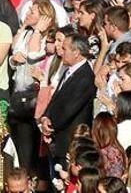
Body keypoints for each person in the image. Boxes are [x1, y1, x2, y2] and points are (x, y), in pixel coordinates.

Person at [40, 33, 96, 167]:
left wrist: (50, 126)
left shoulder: (85, 77)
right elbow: (56, 99)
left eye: (64, 49)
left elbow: (69, 109)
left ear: (76, 52)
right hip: (56, 141)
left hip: (69, 144)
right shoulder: (68, 71)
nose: (61, 51)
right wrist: (45, 117)